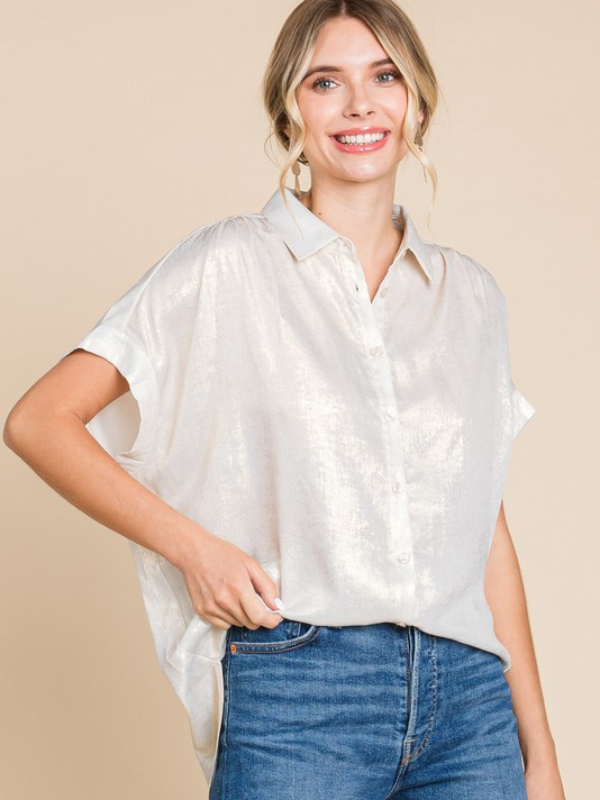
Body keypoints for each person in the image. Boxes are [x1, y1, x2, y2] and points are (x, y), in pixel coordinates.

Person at [4, 1, 567, 798]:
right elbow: (39, 420)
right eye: (325, 82)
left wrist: (539, 752)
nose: (360, 104)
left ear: (418, 102)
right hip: (303, 692)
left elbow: (485, 528)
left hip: (471, 707)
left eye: (384, 77)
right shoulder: (228, 264)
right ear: (289, 112)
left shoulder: (471, 296)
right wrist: (194, 549)